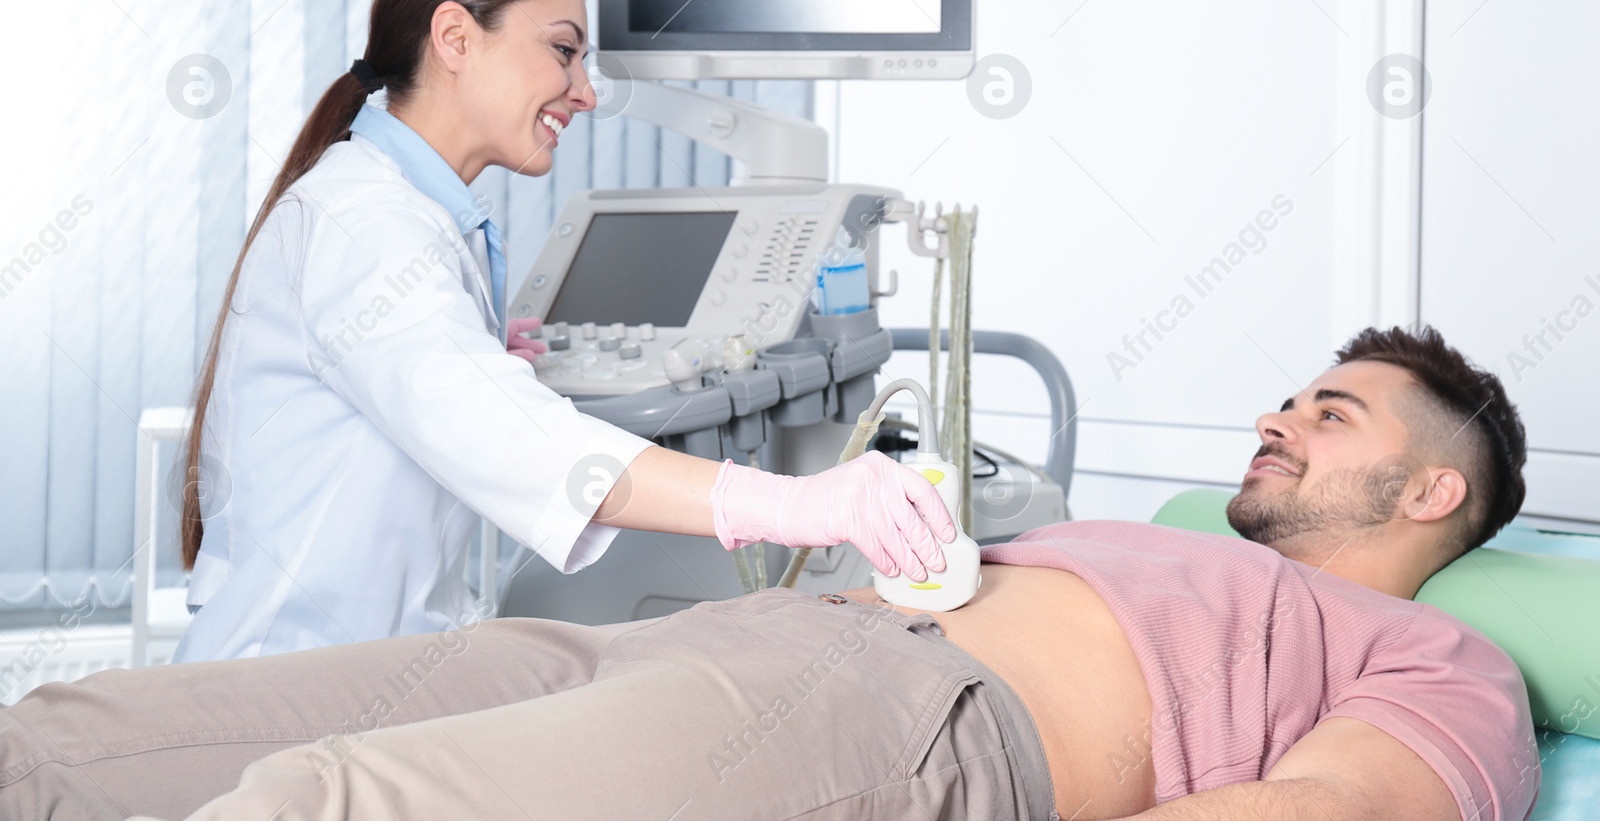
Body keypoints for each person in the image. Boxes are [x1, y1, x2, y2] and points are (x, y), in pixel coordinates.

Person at [0, 325, 1539, 821]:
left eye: (1330, 412)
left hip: (908, 709)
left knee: (335, 798)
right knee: (73, 737)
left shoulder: (1439, 658)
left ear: (1432, 486)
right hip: (718, 641)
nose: (1278, 415)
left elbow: (1315, 812)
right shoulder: (1156, 537)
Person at [170, 0, 955, 663]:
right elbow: (516, 442)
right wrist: (798, 504)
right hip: (289, 685)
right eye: (563, 51)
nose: (582, 91)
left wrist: (478, 355)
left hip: (359, 668)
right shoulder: (366, 224)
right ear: (454, 38)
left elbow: (457, 410)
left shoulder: (414, 215)